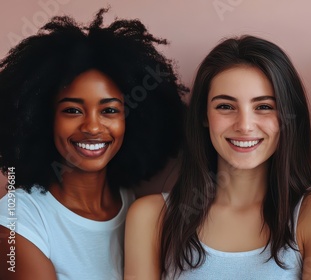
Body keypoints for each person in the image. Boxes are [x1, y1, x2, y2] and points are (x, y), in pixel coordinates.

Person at [124, 35, 311, 279]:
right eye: (225, 106)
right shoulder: (151, 218)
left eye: (264, 107)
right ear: (203, 116)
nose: (244, 126)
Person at [0, 8, 185, 280]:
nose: (93, 127)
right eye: (72, 111)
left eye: (109, 111)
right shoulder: (17, 220)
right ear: (42, 119)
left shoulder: (137, 209)